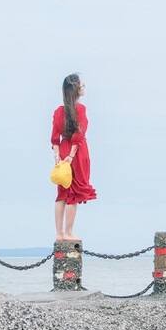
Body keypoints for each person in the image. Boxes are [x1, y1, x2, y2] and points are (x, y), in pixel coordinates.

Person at [50, 73, 97, 241]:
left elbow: (55, 137)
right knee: (74, 193)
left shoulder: (59, 111)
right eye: (82, 85)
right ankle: (69, 232)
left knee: (62, 192)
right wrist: (71, 155)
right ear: (76, 90)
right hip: (75, 152)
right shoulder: (80, 109)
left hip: (62, 149)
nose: (84, 87)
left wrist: (57, 155)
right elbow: (79, 134)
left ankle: (59, 233)